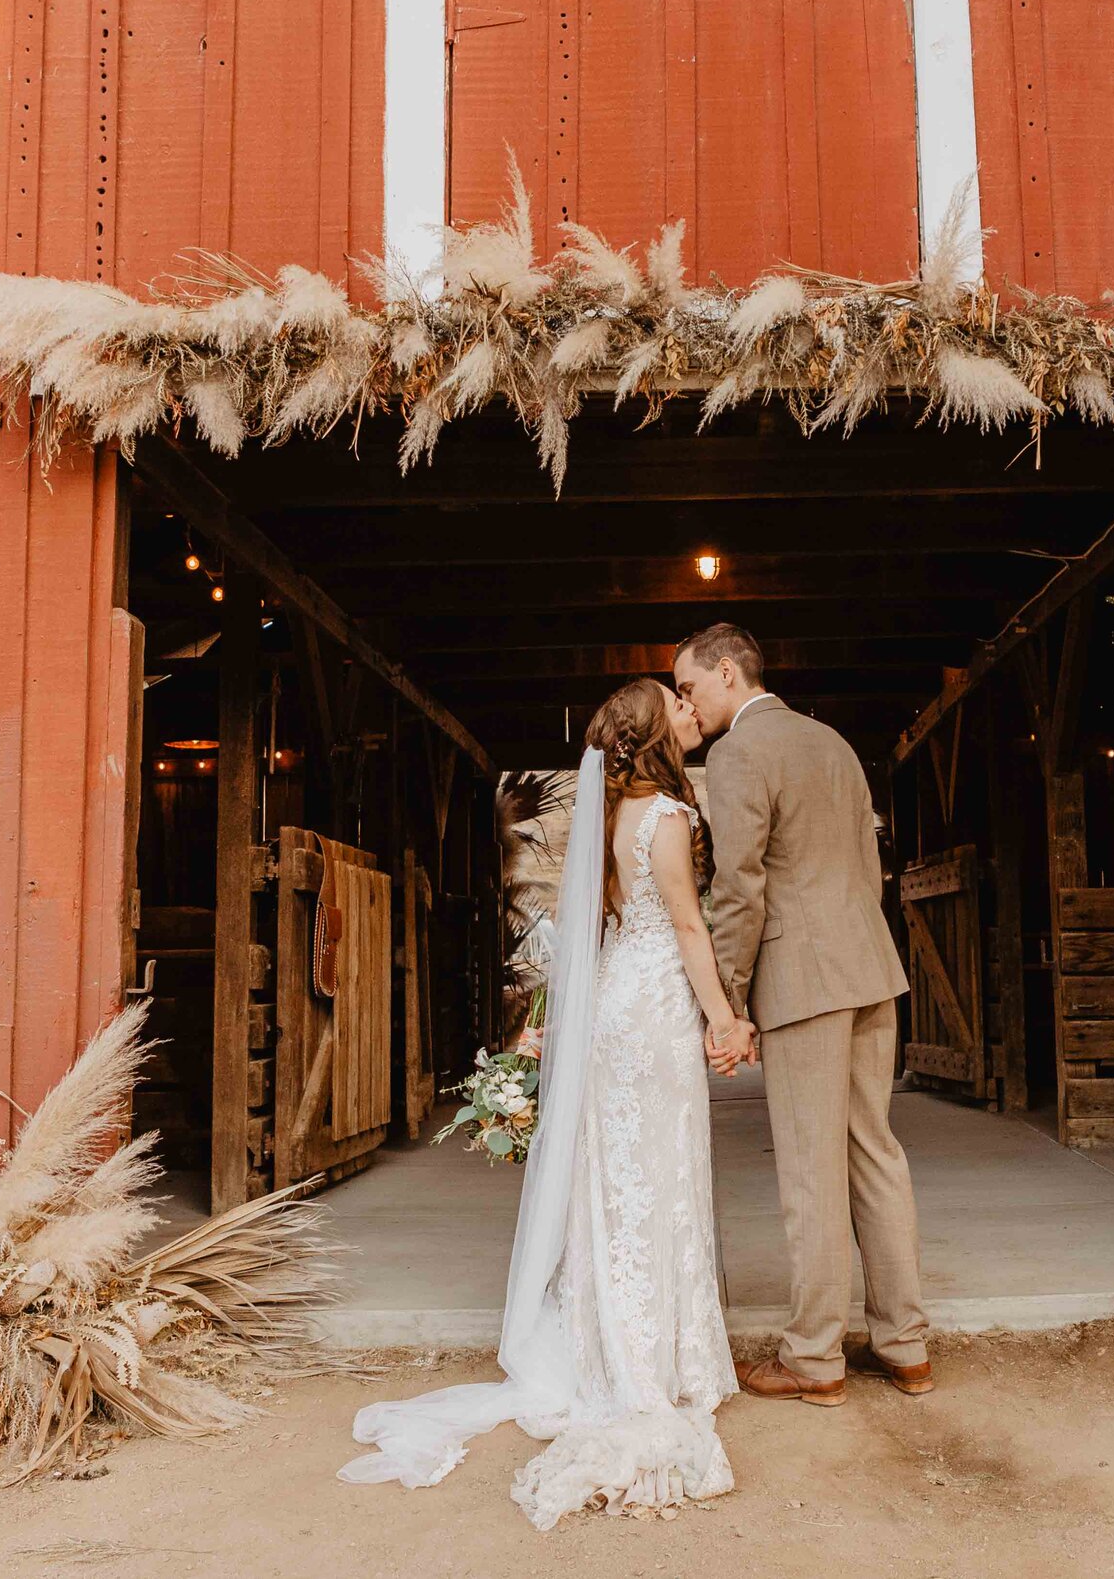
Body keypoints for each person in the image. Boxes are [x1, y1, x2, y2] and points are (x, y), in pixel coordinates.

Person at [340, 680, 747, 1528]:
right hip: (651, 1010)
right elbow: (684, 926)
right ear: (651, 732)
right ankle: (656, 1368)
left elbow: (596, 929)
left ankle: (608, 1346)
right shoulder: (668, 818)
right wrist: (725, 1018)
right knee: (660, 1181)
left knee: (618, 1186)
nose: (686, 708)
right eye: (673, 701)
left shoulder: (599, 823)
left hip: (609, 1009)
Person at [672, 622, 933, 1408]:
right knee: (875, 1152)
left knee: (814, 1168)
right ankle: (905, 1344)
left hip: (803, 979)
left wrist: (729, 1000)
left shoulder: (740, 751)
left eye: (688, 686)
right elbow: (869, 865)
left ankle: (816, 1356)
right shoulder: (834, 742)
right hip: (868, 966)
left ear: (727, 670)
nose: (686, 703)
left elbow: (740, 886)